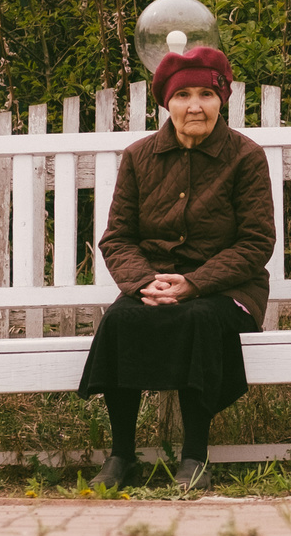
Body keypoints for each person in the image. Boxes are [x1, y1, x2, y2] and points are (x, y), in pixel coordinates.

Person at [79, 44, 275, 491]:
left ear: (221, 99)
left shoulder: (245, 157)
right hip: (152, 284)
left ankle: (195, 457)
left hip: (227, 289)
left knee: (200, 318)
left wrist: (195, 283)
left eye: (206, 95)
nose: (195, 106)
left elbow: (256, 242)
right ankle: (121, 456)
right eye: (183, 95)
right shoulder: (139, 156)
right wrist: (145, 283)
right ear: (166, 102)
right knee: (122, 319)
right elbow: (118, 237)